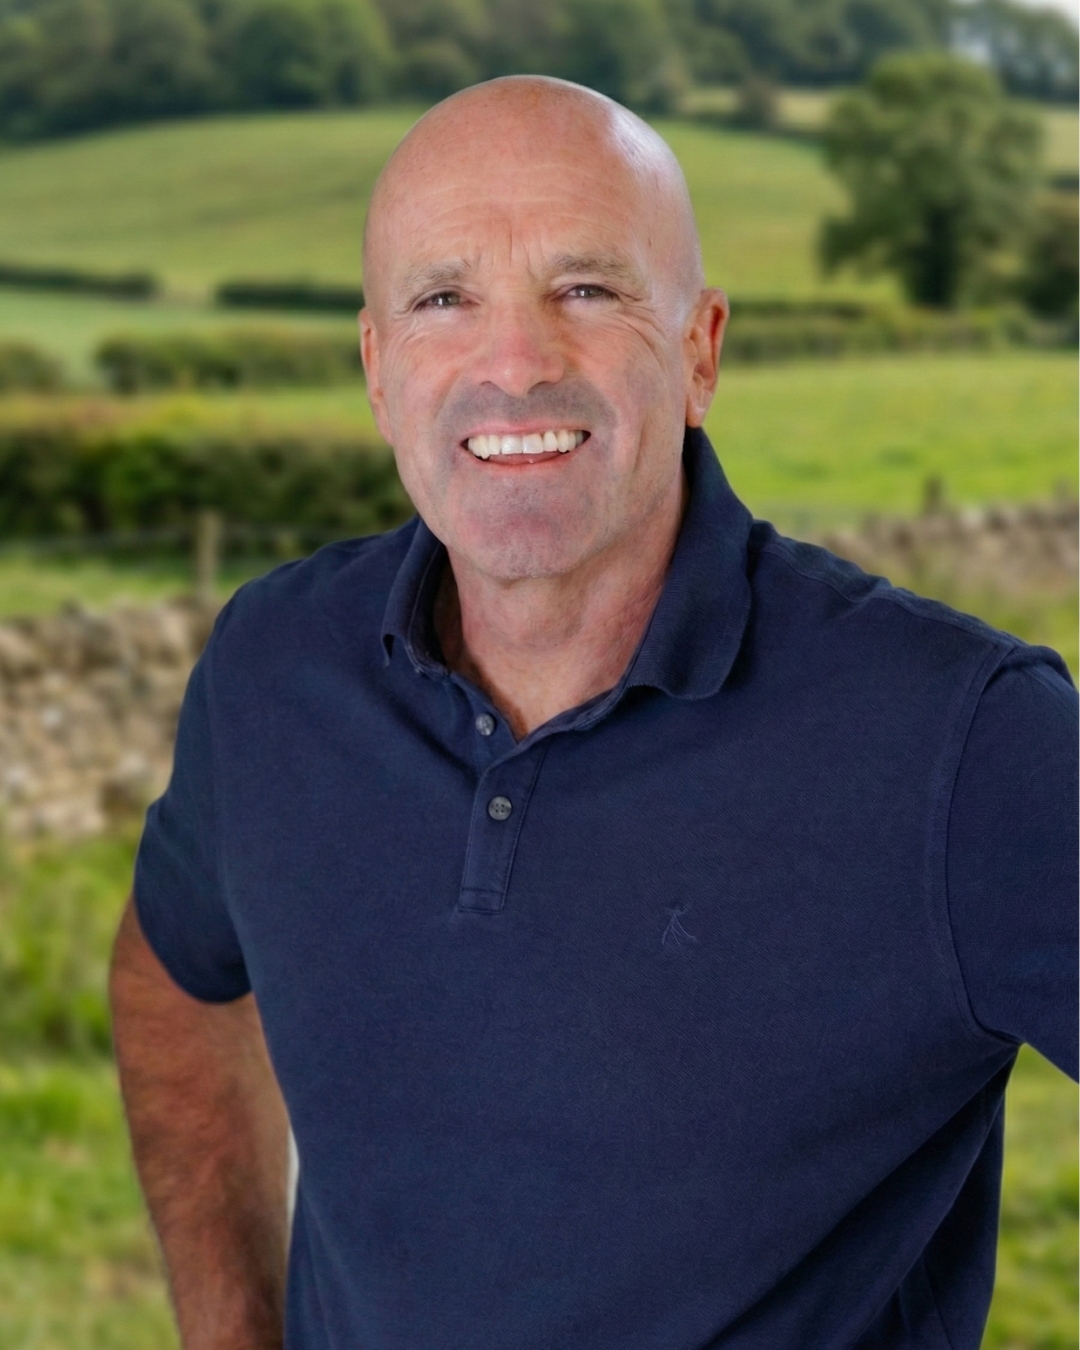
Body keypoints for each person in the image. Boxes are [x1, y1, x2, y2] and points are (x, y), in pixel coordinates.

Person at [109, 75, 1078, 1350]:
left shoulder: (966, 740)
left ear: (700, 350)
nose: (515, 364)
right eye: (443, 300)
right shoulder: (274, 668)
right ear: (377, 370)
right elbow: (175, 977)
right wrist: (232, 1330)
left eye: (585, 289)